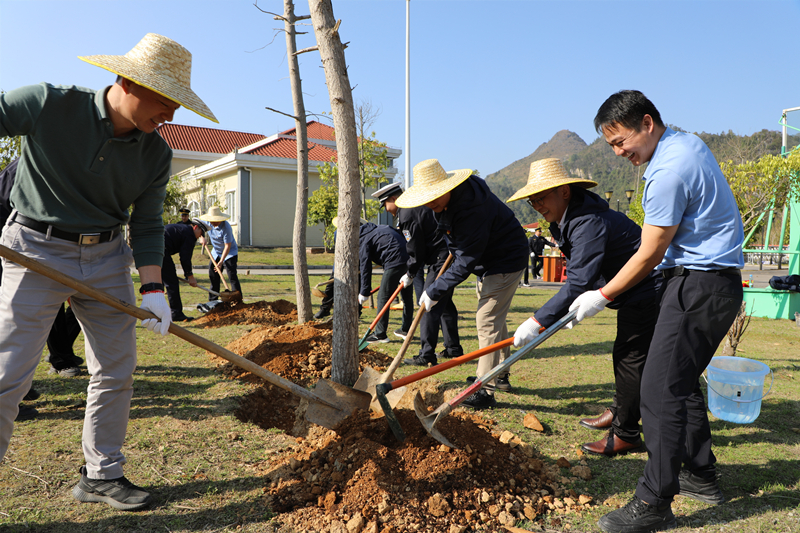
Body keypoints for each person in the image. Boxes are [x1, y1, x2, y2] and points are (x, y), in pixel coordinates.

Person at [0, 33, 217, 511]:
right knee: (9, 375)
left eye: (178, 105)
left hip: (105, 257)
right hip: (33, 249)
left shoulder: (156, 154)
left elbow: (146, 223)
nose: (172, 116)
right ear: (127, 81)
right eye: (165, 101)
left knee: (116, 368)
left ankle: (101, 474)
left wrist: (155, 287)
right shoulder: (48, 104)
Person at [570, 90, 744, 533]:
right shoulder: (686, 144)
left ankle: (653, 500)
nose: (618, 151)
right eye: (610, 145)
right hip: (707, 284)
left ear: (648, 123)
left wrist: (602, 294)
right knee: (679, 385)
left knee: (659, 390)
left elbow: (650, 252)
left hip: (698, 285)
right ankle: (700, 474)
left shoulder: (668, 168)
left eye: (620, 140)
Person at [510, 158, 661, 458]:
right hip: (628, 291)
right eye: (532, 200)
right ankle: (620, 411)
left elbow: (578, 281)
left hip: (649, 290)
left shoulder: (586, 221)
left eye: (542, 197)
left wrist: (537, 320)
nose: (537, 205)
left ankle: (626, 433)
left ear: (565, 192)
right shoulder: (566, 220)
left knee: (630, 357)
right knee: (624, 355)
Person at [395, 159, 528, 408]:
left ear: (448, 187)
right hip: (488, 262)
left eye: (435, 196)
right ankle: (498, 375)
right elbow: (456, 245)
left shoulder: (471, 207)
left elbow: (466, 259)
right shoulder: (448, 205)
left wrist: (434, 289)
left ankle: (485, 388)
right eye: (426, 197)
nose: (430, 203)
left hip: (505, 260)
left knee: (487, 319)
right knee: (494, 318)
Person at [373, 182, 464, 365]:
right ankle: (453, 348)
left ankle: (427, 354)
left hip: (440, 260)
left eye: (385, 205)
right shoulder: (414, 206)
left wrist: (410, 272)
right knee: (444, 304)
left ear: (393, 199)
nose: (386, 209)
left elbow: (415, 248)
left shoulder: (406, 212)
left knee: (427, 305)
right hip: (446, 255)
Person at [355, 218, 414, 343]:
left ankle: (380, 334)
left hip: (395, 261)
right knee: (407, 295)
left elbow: (365, 266)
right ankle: (406, 329)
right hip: (409, 258)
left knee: (383, 297)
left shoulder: (362, 239)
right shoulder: (379, 228)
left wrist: (364, 291)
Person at [162, 218, 211, 322]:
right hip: (161, 250)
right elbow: (185, 258)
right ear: (195, 227)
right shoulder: (189, 234)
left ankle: (156, 311)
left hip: (154, 247)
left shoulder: (184, 230)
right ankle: (176, 313)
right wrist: (190, 276)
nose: (200, 236)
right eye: (201, 233)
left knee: (158, 282)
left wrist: (188, 275)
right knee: (172, 283)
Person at [200, 206, 242, 300]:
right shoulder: (207, 223)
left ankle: (238, 300)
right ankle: (213, 300)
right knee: (213, 274)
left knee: (232, 275)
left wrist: (221, 261)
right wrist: (202, 237)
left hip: (229, 252)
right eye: (212, 221)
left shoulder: (226, 227)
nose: (214, 223)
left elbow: (227, 246)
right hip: (216, 252)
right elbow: (198, 226)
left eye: (216, 221)